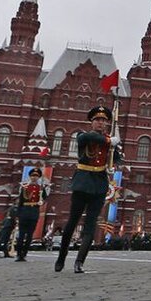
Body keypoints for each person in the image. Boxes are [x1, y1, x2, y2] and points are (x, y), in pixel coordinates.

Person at [55, 106, 122, 273]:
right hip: (82, 182)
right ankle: (61, 257)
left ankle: (79, 262)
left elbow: (117, 159)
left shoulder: (109, 142)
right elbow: (92, 138)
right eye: (97, 120)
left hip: (99, 184)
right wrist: (110, 141)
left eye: (103, 121)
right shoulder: (83, 136)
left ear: (107, 124)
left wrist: (112, 163)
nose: (100, 123)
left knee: (90, 225)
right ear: (91, 122)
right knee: (72, 222)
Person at [14, 166, 48, 261]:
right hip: (24, 212)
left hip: (34, 213)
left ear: (39, 177)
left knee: (29, 236)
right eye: (33, 175)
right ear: (30, 176)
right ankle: (19, 254)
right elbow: (20, 201)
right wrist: (18, 214)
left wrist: (42, 201)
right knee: (21, 235)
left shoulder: (41, 188)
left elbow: (44, 198)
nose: (34, 177)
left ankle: (24, 253)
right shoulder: (25, 187)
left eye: (36, 176)